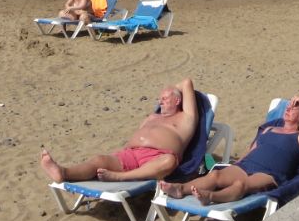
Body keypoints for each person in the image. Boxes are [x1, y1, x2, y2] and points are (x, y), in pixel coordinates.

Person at [159, 95, 299, 205]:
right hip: (247, 165)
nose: (288, 109)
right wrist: (236, 164)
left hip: (270, 174)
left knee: (241, 185)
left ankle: (210, 197)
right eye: (287, 107)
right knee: (216, 175)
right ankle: (180, 189)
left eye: (293, 109)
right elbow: (251, 149)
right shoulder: (269, 129)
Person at [40, 76, 199, 183]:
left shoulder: (185, 118)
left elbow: (187, 82)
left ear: (178, 100)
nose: (160, 102)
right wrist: (167, 94)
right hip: (131, 154)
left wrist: (172, 89)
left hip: (157, 158)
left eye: (164, 99)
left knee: (169, 162)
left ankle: (120, 177)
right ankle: (64, 173)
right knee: (99, 160)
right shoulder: (153, 117)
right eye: (160, 99)